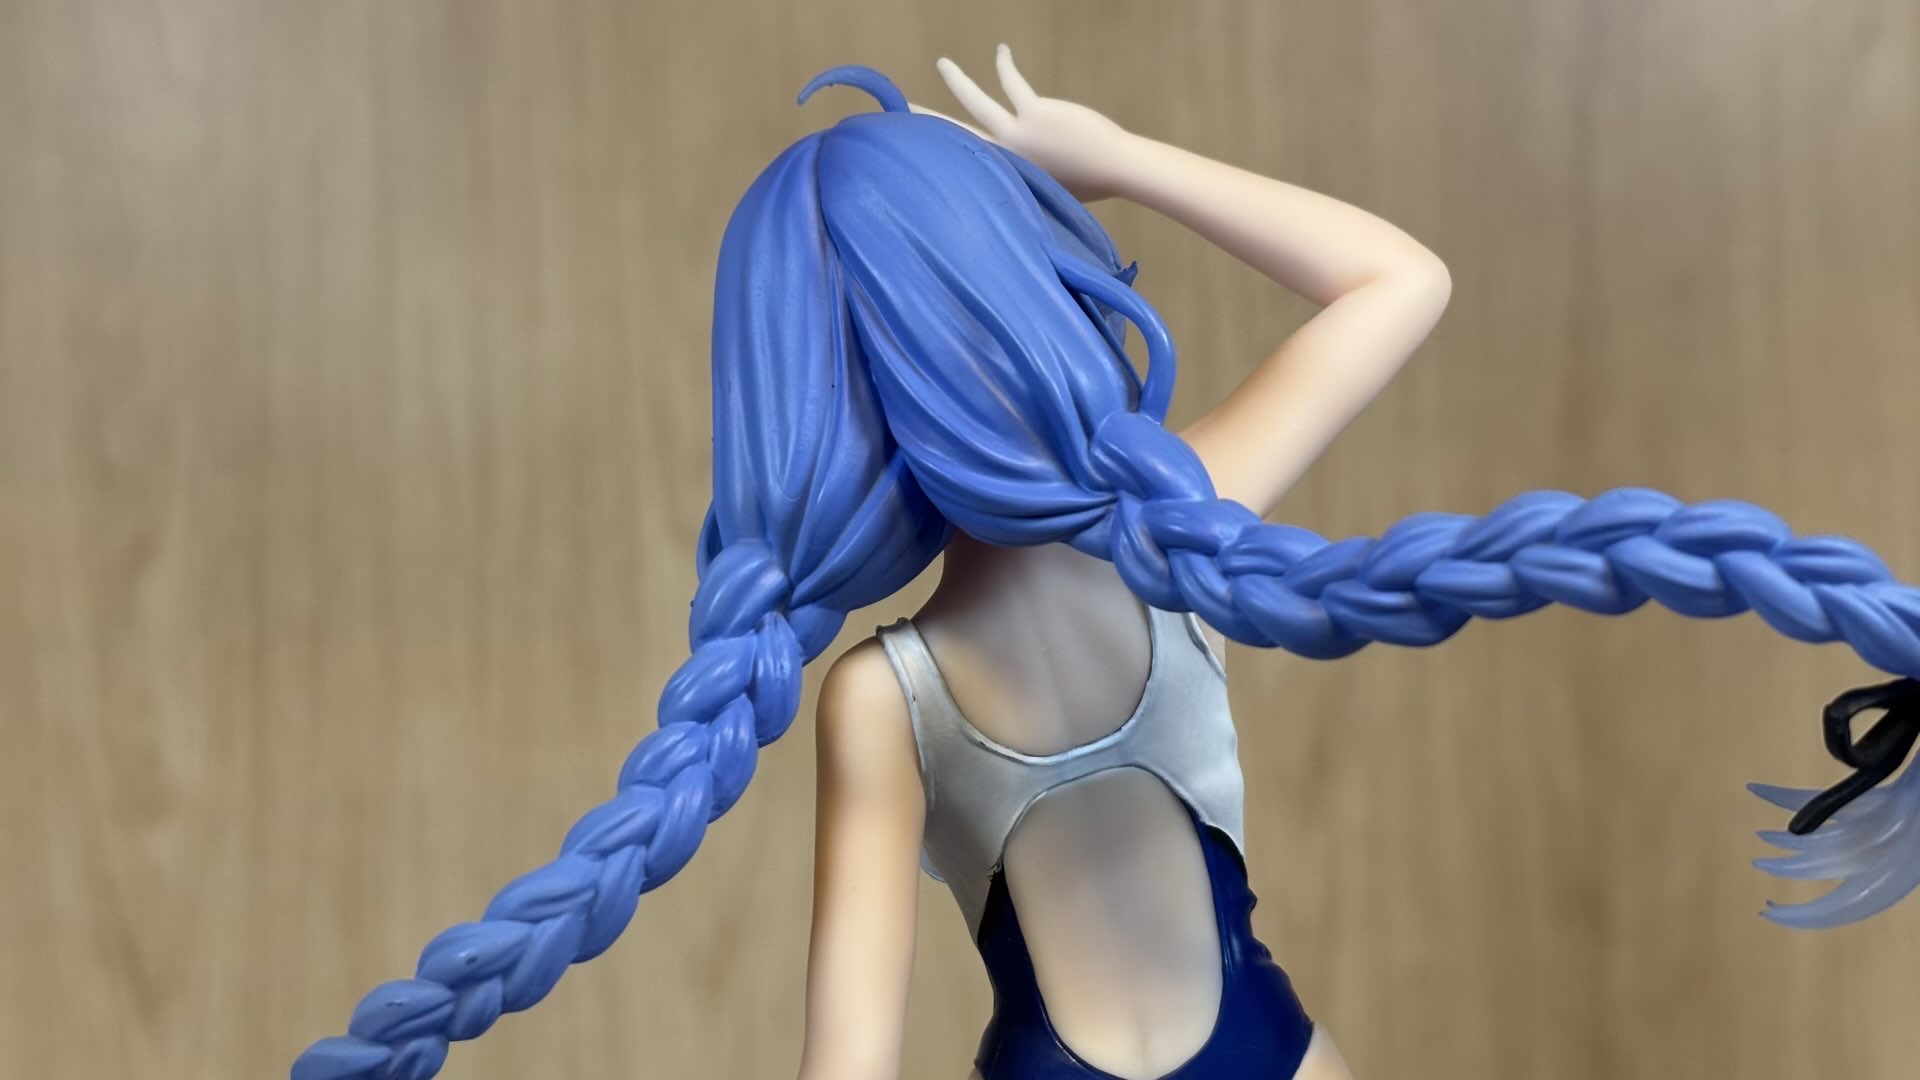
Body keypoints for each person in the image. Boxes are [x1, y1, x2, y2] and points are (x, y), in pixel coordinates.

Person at [292, 46, 1920, 1080]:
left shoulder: (893, 693)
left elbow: (845, 1063)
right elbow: (1396, 281)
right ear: (1029, 298)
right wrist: (1124, 154)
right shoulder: (1180, 526)